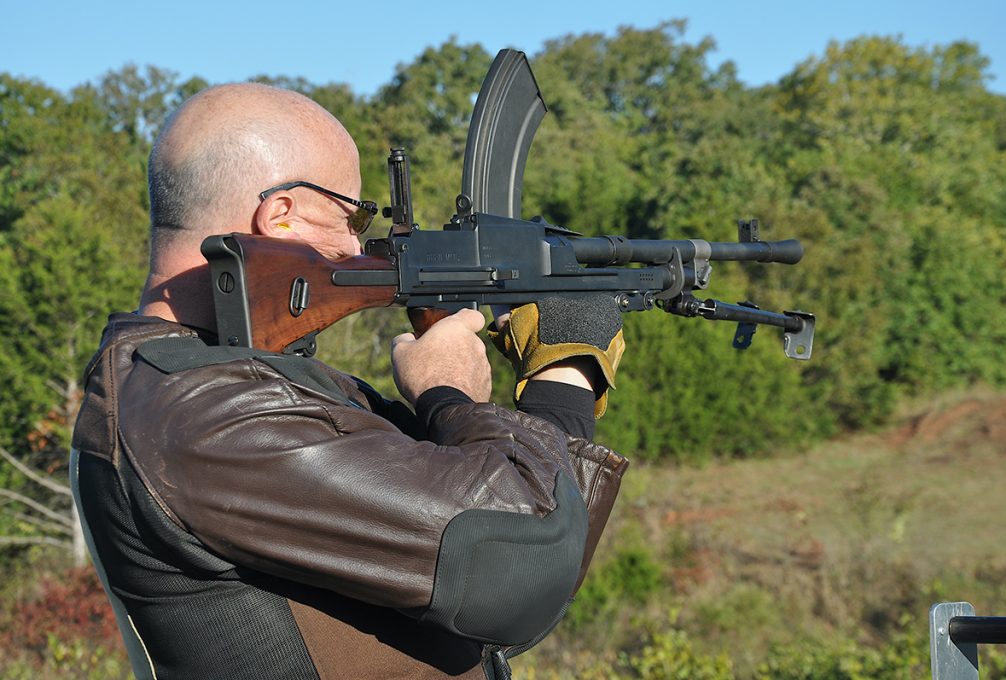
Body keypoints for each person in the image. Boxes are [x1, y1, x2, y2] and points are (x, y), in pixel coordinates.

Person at [70, 83, 628, 680]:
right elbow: (515, 564)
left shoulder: (225, 388)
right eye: (352, 216)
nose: (359, 245)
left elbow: (520, 563)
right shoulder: (201, 412)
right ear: (280, 216)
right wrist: (452, 394)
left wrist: (558, 383)